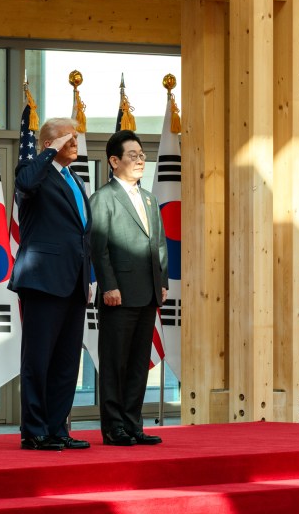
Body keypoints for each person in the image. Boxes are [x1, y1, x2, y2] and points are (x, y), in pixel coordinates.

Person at [8, 117, 92, 451]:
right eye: (68, 136)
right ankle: (34, 430)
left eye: (77, 135)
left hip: (74, 282)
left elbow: (83, 235)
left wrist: (91, 278)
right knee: (38, 360)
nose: (76, 141)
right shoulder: (32, 171)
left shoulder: (77, 180)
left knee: (67, 361)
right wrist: (48, 152)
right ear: (49, 144)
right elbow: (26, 184)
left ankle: (58, 428)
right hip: (43, 281)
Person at [90, 129, 167, 447]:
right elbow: (99, 247)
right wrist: (109, 285)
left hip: (147, 293)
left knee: (138, 362)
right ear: (113, 161)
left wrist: (161, 283)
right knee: (114, 363)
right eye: (133, 155)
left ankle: (134, 423)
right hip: (118, 295)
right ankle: (113, 428)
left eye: (142, 155)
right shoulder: (103, 198)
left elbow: (159, 244)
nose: (140, 160)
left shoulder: (149, 198)